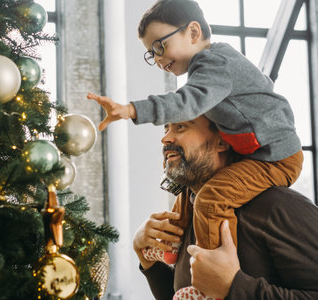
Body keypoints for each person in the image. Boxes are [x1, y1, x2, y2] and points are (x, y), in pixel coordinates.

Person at [87, 0, 303, 268]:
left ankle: (211, 270)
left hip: (275, 157)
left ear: (192, 32)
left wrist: (132, 109)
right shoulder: (213, 68)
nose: (156, 59)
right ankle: (174, 244)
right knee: (190, 193)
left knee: (211, 200)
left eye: (159, 46)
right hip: (254, 151)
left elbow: (186, 103)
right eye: (150, 53)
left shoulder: (215, 62)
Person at [132, 115, 318, 299]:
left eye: (181, 126)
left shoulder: (280, 207)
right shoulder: (190, 212)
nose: (166, 138)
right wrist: (146, 258)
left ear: (222, 141)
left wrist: (234, 287)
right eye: (166, 128)